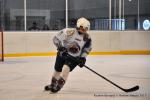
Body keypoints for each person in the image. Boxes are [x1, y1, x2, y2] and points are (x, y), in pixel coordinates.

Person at [44, 17, 92, 93]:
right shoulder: (69, 32)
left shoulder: (87, 38)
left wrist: (83, 58)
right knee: (57, 69)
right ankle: (53, 84)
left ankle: (59, 86)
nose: (84, 31)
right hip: (62, 54)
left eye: (86, 29)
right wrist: (60, 47)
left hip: (74, 58)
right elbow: (56, 39)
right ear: (78, 26)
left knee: (65, 69)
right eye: (82, 28)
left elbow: (87, 49)